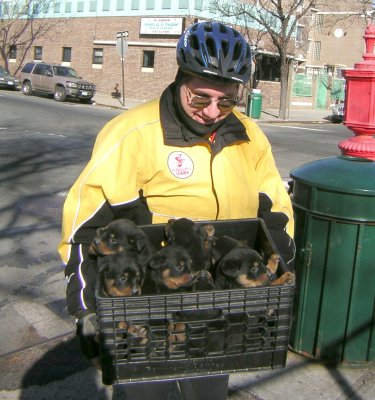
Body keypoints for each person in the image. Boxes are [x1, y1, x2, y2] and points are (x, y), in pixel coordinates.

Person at [58, 20, 295, 400]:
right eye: (200, 97)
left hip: (218, 304)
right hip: (149, 306)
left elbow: (275, 210)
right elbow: (87, 226)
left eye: (227, 100)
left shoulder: (250, 137)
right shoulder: (133, 133)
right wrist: (88, 307)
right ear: (180, 80)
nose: (212, 111)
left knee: (208, 391)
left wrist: (277, 260)